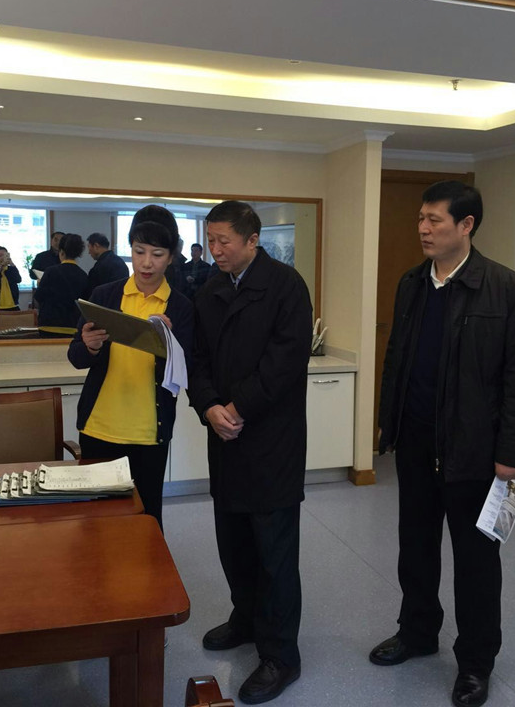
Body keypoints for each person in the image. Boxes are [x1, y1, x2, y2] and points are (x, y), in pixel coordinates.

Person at [370, 181, 515, 707]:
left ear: (466, 226)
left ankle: (476, 662)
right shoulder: (412, 282)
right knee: (415, 548)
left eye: (434, 220)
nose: (423, 228)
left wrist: (512, 452)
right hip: (417, 442)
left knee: (476, 562)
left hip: (475, 451)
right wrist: (387, 424)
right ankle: (418, 632)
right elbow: (396, 358)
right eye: (421, 218)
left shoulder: (506, 289)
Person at [188, 200, 312, 705]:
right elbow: (195, 359)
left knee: (274, 552)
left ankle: (281, 655)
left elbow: (285, 363)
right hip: (225, 437)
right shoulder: (211, 288)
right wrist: (208, 406)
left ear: (252, 240)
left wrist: (236, 408)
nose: (215, 250)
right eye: (210, 240)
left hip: (270, 441)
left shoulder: (286, 287)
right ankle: (245, 618)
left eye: (224, 241)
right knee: (233, 541)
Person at [68, 206, 193, 530]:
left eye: (157, 254)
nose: (147, 262)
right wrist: (90, 345)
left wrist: (168, 346)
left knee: (145, 521)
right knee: (96, 523)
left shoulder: (181, 307)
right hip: (99, 426)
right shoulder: (104, 295)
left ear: (171, 257)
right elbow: (76, 356)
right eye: (139, 252)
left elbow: (188, 373)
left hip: (148, 432)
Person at [34, 233, 88, 337]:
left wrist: (40, 285)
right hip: (73, 326)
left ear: (61, 252)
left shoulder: (50, 271)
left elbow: (39, 297)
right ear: (79, 254)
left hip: (49, 326)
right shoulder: (83, 275)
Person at [0, 246, 22, 326]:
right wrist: (1, 267)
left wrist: (11, 263)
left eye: (5, 255)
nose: (2, 258)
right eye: (0, 255)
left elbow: (18, 279)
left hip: (12, 305)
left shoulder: (10, 269)